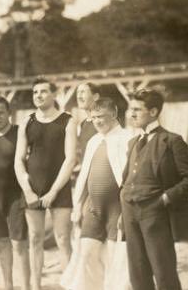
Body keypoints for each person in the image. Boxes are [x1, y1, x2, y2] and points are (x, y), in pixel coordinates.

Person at [120, 88, 188, 290]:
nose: (132, 114)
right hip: (130, 212)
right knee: (137, 273)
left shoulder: (172, 141)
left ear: (154, 112)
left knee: (164, 273)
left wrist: (165, 198)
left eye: (138, 109)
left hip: (156, 213)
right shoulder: (133, 142)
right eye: (131, 109)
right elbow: (127, 178)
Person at [14, 78, 76, 290]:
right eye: (35, 92)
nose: (38, 95)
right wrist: (28, 190)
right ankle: (35, 287)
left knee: (63, 239)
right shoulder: (27, 122)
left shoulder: (67, 120)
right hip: (33, 187)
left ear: (53, 94)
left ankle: (70, 286)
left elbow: (70, 159)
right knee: (34, 238)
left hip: (59, 186)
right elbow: (19, 160)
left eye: (43, 91)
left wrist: (54, 191)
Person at [66, 97, 133, 290]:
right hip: (94, 207)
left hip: (117, 208)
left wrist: (126, 209)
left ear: (113, 114)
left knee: (116, 256)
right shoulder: (93, 141)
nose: (97, 121)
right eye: (93, 117)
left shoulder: (127, 138)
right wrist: (78, 205)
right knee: (86, 252)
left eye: (101, 116)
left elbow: (128, 178)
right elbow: (84, 177)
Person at [0, 96, 30, 290]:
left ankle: (27, 286)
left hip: (16, 196)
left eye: (1, 112)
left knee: (19, 244)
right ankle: (8, 285)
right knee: (2, 242)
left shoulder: (19, 132)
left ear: (9, 113)